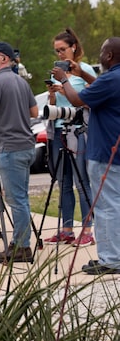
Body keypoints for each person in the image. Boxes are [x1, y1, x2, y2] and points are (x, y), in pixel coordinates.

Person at [51, 37, 120, 275]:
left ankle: (111, 260)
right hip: (114, 151)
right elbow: (101, 89)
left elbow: (78, 100)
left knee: (106, 206)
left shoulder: (112, 78)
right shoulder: (113, 79)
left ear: (109, 56)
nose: (99, 56)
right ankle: (114, 256)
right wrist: (83, 76)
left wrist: (64, 80)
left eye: (102, 52)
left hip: (106, 152)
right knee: (115, 204)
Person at [0, 41, 38, 263]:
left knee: (17, 199)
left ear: (4, 58)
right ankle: (21, 243)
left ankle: (21, 246)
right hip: (25, 145)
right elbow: (34, 111)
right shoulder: (21, 82)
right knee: (21, 198)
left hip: (10, 148)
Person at [43, 29, 96, 246]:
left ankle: (87, 230)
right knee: (63, 181)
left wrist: (67, 89)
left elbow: (93, 100)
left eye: (63, 50)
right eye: (56, 51)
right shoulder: (58, 72)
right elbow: (54, 107)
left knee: (82, 180)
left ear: (73, 47)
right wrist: (54, 94)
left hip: (77, 129)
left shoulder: (84, 70)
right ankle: (66, 229)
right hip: (58, 128)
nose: (60, 55)